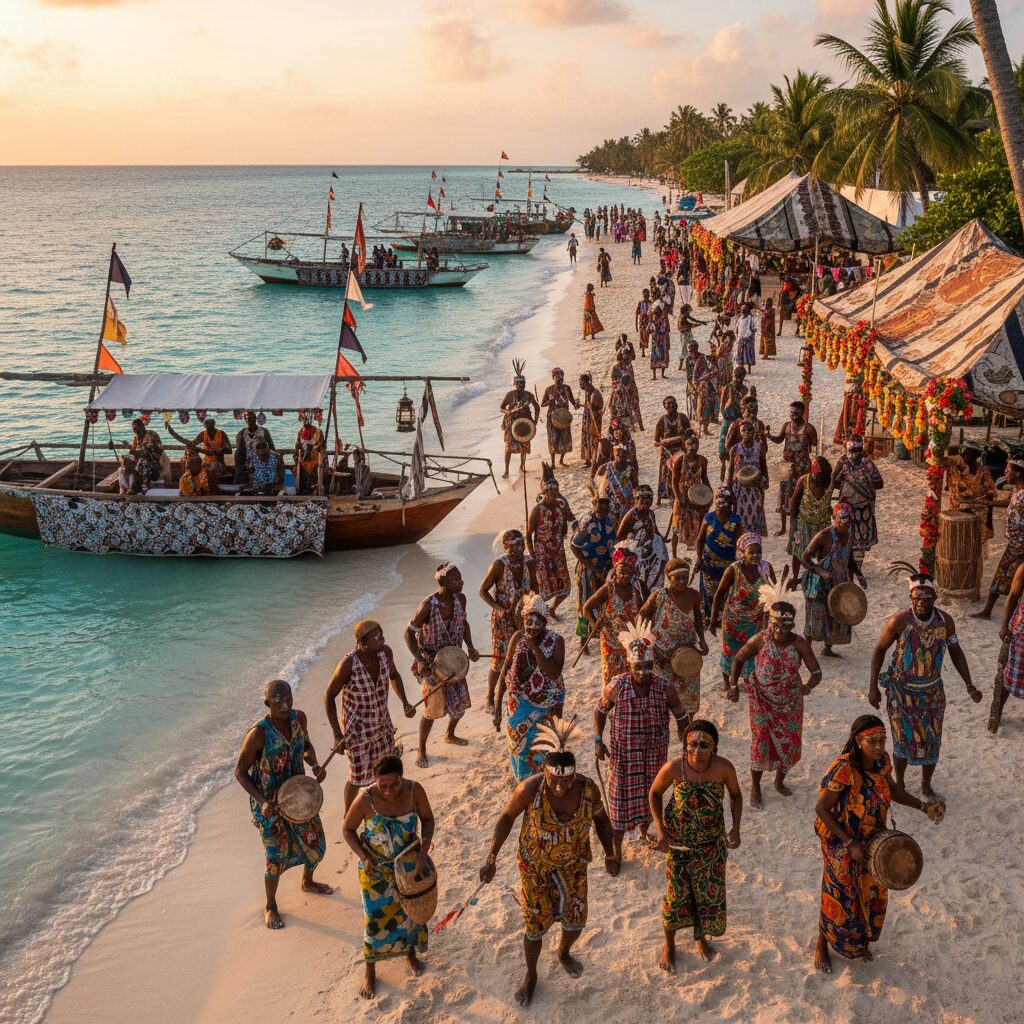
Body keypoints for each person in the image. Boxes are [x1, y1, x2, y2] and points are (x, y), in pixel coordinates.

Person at [478, 719, 618, 1007]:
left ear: (575, 774)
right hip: (535, 867)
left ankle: (563, 952)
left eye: (567, 779)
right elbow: (506, 817)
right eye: (554, 779)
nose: (560, 785)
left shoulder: (588, 790)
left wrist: (610, 853)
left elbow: (602, 820)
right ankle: (531, 975)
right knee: (535, 925)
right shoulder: (531, 788)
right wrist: (491, 857)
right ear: (544, 771)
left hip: (574, 866)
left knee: (576, 920)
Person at [813, 715, 946, 974]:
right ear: (858, 741)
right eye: (872, 741)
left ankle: (858, 940)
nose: (878, 746)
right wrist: (850, 842)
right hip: (841, 840)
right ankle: (822, 942)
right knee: (839, 894)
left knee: (869, 891)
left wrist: (924, 807)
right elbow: (821, 809)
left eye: (882, 740)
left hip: (873, 839)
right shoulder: (844, 768)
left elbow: (893, 790)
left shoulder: (882, 762)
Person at [869, 569, 980, 796]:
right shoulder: (899, 621)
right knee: (901, 740)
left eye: (926, 598)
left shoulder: (945, 622)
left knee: (932, 740)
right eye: (916, 598)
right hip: (901, 691)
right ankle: (900, 784)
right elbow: (880, 649)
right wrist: (872, 687)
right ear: (911, 598)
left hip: (932, 692)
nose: (921, 602)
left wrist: (969, 684)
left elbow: (956, 652)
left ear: (935, 597)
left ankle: (926, 785)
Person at [234, 680, 331, 930]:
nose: (286, 705)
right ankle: (271, 906)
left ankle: (307, 882)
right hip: (269, 805)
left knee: (316, 845)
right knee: (274, 858)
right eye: (279, 701)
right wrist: (262, 801)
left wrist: (315, 764)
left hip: (299, 796)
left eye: (289, 699)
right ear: (268, 703)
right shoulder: (259, 734)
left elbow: (306, 746)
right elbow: (240, 772)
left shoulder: (299, 719)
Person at [650, 720, 742, 969]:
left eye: (704, 745)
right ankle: (669, 945)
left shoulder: (724, 768)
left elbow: (735, 795)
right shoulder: (674, 768)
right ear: (685, 746)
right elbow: (655, 793)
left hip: (711, 846)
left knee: (706, 895)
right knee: (675, 897)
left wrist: (735, 827)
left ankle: (700, 938)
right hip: (679, 846)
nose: (697, 750)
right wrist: (660, 829)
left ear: (714, 748)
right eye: (693, 744)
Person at [341, 755, 435, 998]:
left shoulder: (414, 791)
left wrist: (423, 853)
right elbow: (348, 830)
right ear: (375, 780)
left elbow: (428, 820)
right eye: (383, 785)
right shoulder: (365, 798)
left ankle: (409, 955)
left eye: (394, 784)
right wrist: (364, 857)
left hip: (408, 867)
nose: (389, 790)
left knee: (409, 914)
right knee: (374, 922)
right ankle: (370, 972)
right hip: (375, 871)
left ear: (402, 777)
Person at [596, 620, 689, 859]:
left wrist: (686, 738)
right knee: (619, 804)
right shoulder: (616, 686)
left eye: (647, 667)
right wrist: (598, 740)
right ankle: (615, 851)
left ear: (653, 664)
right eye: (638, 667)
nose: (643, 672)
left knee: (651, 796)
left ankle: (644, 829)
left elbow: (681, 714)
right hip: (624, 759)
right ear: (629, 664)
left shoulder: (665, 687)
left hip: (653, 757)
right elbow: (600, 711)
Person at [729, 588, 822, 809]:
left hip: (790, 703)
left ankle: (779, 782)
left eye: (786, 625)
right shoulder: (759, 640)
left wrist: (807, 687)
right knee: (760, 741)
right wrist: (733, 685)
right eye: (776, 625)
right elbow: (738, 659)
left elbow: (816, 672)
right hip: (761, 699)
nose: (780, 630)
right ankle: (755, 786)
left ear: (793, 625)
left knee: (790, 744)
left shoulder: (799, 644)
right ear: (769, 623)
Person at [324, 620, 415, 810]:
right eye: (377, 636)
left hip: (382, 724)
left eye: (382, 634)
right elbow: (329, 695)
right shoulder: (349, 664)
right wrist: (337, 734)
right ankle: (349, 815)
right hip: (357, 731)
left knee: (384, 770)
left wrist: (405, 702)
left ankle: (381, 804)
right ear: (363, 642)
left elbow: (394, 675)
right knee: (357, 777)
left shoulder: (385, 653)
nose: (383, 639)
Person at [405, 563, 481, 767]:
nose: (461, 582)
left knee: (459, 705)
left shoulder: (460, 599)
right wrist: (420, 660)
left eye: (461, 578)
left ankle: (449, 734)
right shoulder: (428, 605)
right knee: (432, 709)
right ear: (444, 582)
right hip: (432, 664)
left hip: (454, 661)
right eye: (456, 580)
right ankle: (421, 748)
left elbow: (464, 624)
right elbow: (408, 634)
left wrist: (471, 647)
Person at [493, 593, 566, 780]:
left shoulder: (557, 641)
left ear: (545, 622)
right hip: (518, 702)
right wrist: (497, 704)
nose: (533, 626)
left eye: (538, 622)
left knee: (544, 742)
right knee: (518, 743)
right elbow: (506, 669)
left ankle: (544, 779)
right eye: (529, 621)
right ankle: (523, 781)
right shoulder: (517, 637)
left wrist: (535, 648)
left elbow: (554, 673)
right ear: (523, 620)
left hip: (547, 703)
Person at [641, 558, 708, 716]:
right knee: (663, 688)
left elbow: (698, 618)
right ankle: (663, 718)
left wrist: (702, 640)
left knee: (689, 687)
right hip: (661, 652)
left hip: (686, 650)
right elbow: (642, 614)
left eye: (685, 577)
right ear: (668, 578)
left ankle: (688, 720)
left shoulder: (694, 595)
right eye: (677, 578)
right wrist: (644, 636)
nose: (682, 581)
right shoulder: (658, 596)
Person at [480, 528, 538, 710]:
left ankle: (518, 691)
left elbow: (535, 586)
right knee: (499, 659)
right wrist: (499, 609)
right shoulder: (498, 565)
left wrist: (534, 607)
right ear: (505, 547)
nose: (516, 549)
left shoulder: (530, 563)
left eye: (520, 544)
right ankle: (490, 696)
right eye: (511, 546)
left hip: (523, 619)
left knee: (523, 655)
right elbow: (482, 591)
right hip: (502, 621)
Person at [710, 533, 775, 694]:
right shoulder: (734, 569)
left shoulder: (766, 568)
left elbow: (774, 592)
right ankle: (728, 683)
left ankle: (751, 680)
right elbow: (720, 594)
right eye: (751, 552)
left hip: (756, 619)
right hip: (733, 618)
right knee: (729, 650)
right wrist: (712, 620)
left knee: (754, 650)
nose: (755, 556)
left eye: (758, 552)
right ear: (743, 553)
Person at [800, 501, 865, 655]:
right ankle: (806, 650)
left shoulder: (849, 535)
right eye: (842, 521)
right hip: (820, 584)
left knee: (836, 614)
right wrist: (820, 571)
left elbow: (848, 558)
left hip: (839, 582)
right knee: (814, 616)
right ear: (834, 519)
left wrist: (859, 574)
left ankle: (827, 648)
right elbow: (804, 558)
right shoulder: (824, 536)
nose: (845, 525)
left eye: (848, 522)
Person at [583, 541, 645, 687]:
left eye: (628, 572)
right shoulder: (609, 588)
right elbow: (587, 608)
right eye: (621, 571)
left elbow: (647, 612)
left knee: (631, 677)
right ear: (615, 571)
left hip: (631, 643)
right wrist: (595, 625)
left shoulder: (638, 589)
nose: (624, 575)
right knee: (611, 677)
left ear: (633, 573)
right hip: (610, 640)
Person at [973, 457, 1024, 619]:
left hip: (1019, 546)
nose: (1005, 472)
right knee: (1004, 576)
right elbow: (1007, 502)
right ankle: (989, 611)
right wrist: (987, 503)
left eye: (1009, 470)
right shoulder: (1016, 490)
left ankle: (990, 612)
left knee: (1004, 576)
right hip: (1014, 543)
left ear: (1018, 473)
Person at [943, 441, 996, 590]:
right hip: (956, 517)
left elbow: (991, 496)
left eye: (969, 453)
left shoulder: (983, 473)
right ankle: (957, 580)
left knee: (973, 552)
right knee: (957, 550)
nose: (965, 456)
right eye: (963, 452)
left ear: (977, 456)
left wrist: (989, 522)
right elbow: (939, 460)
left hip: (977, 518)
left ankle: (972, 581)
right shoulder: (954, 469)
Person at [831, 434, 884, 574]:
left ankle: (857, 570)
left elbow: (879, 483)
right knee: (844, 538)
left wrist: (862, 482)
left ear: (861, 450)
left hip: (863, 508)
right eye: (851, 451)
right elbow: (833, 481)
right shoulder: (843, 461)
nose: (853, 454)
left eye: (856, 451)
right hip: (846, 507)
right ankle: (847, 569)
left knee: (860, 540)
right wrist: (847, 482)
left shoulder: (867, 463)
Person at [527, 466, 576, 616]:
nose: (553, 494)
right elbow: (528, 534)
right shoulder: (538, 509)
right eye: (550, 491)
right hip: (542, 552)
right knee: (542, 584)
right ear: (544, 492)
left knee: (564, 584)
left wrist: (564, 503)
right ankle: (536, 611)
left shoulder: (561, 505)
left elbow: (571, 519)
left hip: (558, 550)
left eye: (556, 491)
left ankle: (552, 609)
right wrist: (533, 553)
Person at [570, 494, 616, 644]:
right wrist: (590, 567)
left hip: (606, 567)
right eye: (598, 507)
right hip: (588, 568)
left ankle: (602, 633)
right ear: (594, 507)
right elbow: (574, 546)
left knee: (603, 601)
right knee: (586, 601)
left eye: (604, 508)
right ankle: (584, 638)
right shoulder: (587, 522)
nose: (601, 510)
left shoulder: (610, 520)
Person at [766, 401, 816, 537]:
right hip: (787, 466)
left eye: (796, 413)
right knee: (784, 494)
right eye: (791, 412)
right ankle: (783, 527)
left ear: (802, 413)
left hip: (802, 467)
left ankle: (800, 525)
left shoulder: (809, 429)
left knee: (802, 495)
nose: (793, 415)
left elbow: (815, 446)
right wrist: (768, 435)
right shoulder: (786, 426)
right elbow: (779, 440)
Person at [696, 488, 742, 619]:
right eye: (718, 503)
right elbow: (700, 540)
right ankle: (709, 617)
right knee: (708, 592)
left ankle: (723, 617)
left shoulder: (736, 521)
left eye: (723, 503)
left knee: (726, 591)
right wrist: (699, 558)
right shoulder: (708, 518)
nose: (720, 506)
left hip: (728, 564)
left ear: (730, 503)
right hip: (709, 563)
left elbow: (739, 542)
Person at [616, 484, 668, 596]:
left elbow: (654, 530)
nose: (647, 501)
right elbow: (620, 536)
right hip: (635, 555)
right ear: (636, 500)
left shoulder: (650, 513)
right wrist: (629, 553)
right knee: (638, 584)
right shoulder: (631, 515)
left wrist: (662, 539)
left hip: (651, 554)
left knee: (654, 581)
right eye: (643, 498)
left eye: (649, 498)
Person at [787, 456, 833, 584]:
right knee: (798, 551)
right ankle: (795, 578)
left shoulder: (830, 481)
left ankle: (820, 577)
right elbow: (794, 504)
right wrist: (793, 525)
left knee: (823, 552)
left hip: (823, 525)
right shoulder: (804, 481)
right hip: (804, 523)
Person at [992, 560, 1024, 732]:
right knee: (1010, 672)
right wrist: (1005, 624)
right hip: (1021, 630)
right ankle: (997, 712)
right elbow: (1012, 596)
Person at [671, 433, 711, 555]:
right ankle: (674, 555)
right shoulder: (679, 461)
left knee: (698, 523)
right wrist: (678, 499)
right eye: (689, 444)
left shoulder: (702, 460)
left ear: (698, 445)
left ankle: (698, 552)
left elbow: (704, 477)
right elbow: (674, 482)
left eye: (694, 444)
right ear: (685, 445)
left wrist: (709, 493)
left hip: (697, 494)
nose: (691, 446)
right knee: (677, 525)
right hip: (682, 494)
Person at [726, 419, 769, 535]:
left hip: (755, 486)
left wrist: (766, 481)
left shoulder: (759, 448)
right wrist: (729, 486)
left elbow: (763, 465)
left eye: (749, 430)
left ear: (754, 432)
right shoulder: (735, 449)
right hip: (739, 487)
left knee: (755, 510)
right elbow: (730, 469)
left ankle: (753, 536)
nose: (746, 432)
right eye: (743, 430)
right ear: (740, 432)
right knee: (738, 511)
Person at [500, 365, 540, 479]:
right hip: (511, 424)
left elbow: (537, 407)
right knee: (508, 448)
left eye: (522, 384)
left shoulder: (528, 395)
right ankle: (506, 471)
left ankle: (522, 466)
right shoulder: (509, 395)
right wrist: (508, 412)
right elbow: (501, 408)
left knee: (524, 445)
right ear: (514, 384)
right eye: (518, 384)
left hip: (524, 423)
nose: (521, 386)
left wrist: (535, 421)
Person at [166, 416, 231, 478]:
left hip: (219, 464)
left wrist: (207, 451)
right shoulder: (203, 434)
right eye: (207, 427)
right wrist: (174, 434)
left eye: (210, 427)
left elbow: (228, 450)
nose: (209, 429)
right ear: (205, 426)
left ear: (214, 425)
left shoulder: (221, 434)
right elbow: (192, 444)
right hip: (206, 463)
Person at [653, 395, 690, 505]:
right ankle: (664, 496)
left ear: (677, 404)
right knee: (665, 473)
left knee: (682, 472)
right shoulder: (662, 420)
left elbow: (689, 434)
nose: (671, 405)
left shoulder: (682, 418)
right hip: (667, 452)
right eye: (668, 404)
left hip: (681, 450)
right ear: (664, 406)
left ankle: (682, 494)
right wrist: (671, 441)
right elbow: (656, 441)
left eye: (673, 402)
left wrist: (683, 442)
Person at [594, 443, 637, 532]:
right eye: (618, 451)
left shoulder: (629, 470)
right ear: (613, 452)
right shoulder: (604, 468)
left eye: (624, 452)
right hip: (607, 509)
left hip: (624, 510)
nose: (620, 454)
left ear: (628, 454)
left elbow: (635, 490)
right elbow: (596, 486)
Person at [542, 367, 579, 467]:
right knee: (553, 439)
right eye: (557, 377)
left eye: (561, 377)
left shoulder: (567, 388)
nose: (560, 379)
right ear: (553, 378)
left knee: (565, 439)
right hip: (552, 418)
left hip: (564, 418)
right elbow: (543, 404)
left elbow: (573, 401)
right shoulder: (549, 389)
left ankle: (561, 460)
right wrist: (550, 401)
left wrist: (577, 404)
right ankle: (553, 463)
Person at [717, 366, 748, 481]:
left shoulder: (745, 390)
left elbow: (744, 406)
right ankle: (723, 464)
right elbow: (722, 402)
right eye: (736, 377)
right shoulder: (728, 387)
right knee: (723, 441)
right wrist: (724, 414)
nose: (738, 380)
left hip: (738, 419)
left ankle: (734, 464)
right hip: (728, 418)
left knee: (736, 441)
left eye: (740, 377)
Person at [234, 411, 275, 485]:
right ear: (245, 420)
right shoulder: (242, 433)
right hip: (248, 462)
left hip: (263, 461)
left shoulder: (264, 431)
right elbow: (239, 452)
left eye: (253, 418)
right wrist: (240, 466)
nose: (251, 421)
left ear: (256, 419)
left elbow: (271, 447)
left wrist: (271, 461)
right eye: (249, 419)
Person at [129, 417, 165, 488]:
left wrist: (135, 453)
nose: (134, 430)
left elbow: (149, 453)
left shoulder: (151, 435)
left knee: (144, 464)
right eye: (133, 429)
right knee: (129, 466)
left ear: (142, 427)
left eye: (135, 428)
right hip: (143, 460)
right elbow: (133, 450)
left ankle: (144, 486)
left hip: (155, 461)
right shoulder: (137, 437)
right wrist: (130, 450)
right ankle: (134, 486)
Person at [578, 373, 604, 467]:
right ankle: (588, 460)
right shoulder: (588, 391)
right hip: (588, 418)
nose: (580, 385)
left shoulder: (594, 394)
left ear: (585, 383)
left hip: (593, 420)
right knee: (586, 439)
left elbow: (593, 409)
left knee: (593, 439)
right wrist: (581, 405)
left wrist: (582, 405)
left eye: (580, 383)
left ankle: (593, 459)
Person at [649, 303, 670, 379]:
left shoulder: (663, 320)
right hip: (658, 340)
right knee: (657, 356)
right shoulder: (662, 320)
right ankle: (658, 375)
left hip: (659, 339)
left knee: (659, 356)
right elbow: (666, 330)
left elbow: (663, 330)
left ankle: (657, 375)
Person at [736, 303, 757, 372]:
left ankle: (749, 370)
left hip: (748, 339)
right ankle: (741, 368)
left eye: (744, 310)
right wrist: (738, 335)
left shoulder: (751, 318)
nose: (742, 311)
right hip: (741, 339)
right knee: (741, 354)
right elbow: (737, 327)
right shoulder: (740, 318)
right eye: (742, 309)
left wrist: (750, 336)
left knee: (748, 354)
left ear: (747, 310)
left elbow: (754, 329)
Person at [635, 287, 654, 356]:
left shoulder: (651, 303)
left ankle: (652, 350)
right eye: (644, 294)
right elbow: (637, 314)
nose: (645, 295)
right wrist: (636, 325)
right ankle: (643, 351)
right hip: (642, 322)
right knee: (642, 336)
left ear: (649, 295)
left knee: (651, 336)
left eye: (647, 294)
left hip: (649, 321)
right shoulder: (640, 303)